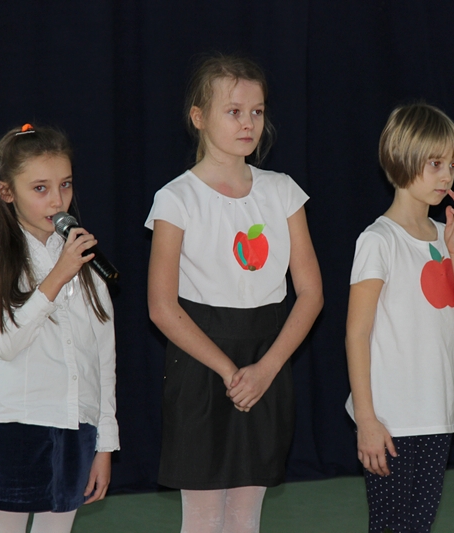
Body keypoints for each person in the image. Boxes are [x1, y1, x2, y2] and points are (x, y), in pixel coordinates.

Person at [145, 54, 323, 533]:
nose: (248, 123)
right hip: (201, 361)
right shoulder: (176, 198)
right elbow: (161, 307)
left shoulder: (282, 191)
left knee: (245, 515)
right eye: (234, 111)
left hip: (267, 359)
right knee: (204, 518)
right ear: (198, 117)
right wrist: (228, 370)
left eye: (257, 111)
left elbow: (310, 294)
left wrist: (266, 369)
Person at [0, 123, 119, 533]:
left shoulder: (85, 262)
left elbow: (103, 358)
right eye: (40, 188)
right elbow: (5, 342)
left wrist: (104, 444)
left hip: (77, 425)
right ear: (6, 191)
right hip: (20, 422)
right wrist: (57, 277)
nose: (57, 200)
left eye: (65, 185)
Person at [345, 103, 454, 533]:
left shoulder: (450, 240)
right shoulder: (379, 240)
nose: (447, 176)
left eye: (452, 165)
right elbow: (357, 333)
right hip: (390, 420)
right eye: (435, 163)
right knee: (391, 526)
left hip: (437, 417)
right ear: (401, 159)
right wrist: (367, 419)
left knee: (419, 526)